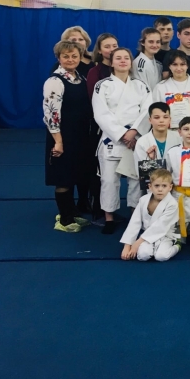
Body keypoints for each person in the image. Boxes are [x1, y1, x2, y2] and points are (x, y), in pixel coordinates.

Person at [93, 47, 152, 234]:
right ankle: (109, 217)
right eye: (118, 58)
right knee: (109, 180)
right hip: (112, 139)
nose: (123, 61)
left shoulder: (141, 85)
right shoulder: (103, 85)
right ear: (111, 62)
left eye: (126, 58)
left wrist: (134, 131)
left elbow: (147, 110)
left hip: (136, 139)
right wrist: (121, 134)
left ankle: (135, 215)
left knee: (136, 180)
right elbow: (101, 113)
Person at [44, 40, 94, 232]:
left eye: (74, 56)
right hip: (62, 136)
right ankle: (64, 220)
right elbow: (51, 114)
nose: (71, 59)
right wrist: (58, 142)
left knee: (75, 174)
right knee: (63, 177)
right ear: (59, 58)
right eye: (66, 56)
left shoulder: (79, 78)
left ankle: (72, 213)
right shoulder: (55, 81)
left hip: (79, 135)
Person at [120, 169, 181, 262]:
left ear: (170, 187)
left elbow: (160, 226)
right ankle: (152, 249)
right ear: (150, 186)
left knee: (161, 256)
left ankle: (177, 246)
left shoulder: (172, 204)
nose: (160, 189)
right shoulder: (143, 200)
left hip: (166, 235)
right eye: (156, 185)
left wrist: (137, 243)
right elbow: (134, 222)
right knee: (142, 256)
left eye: (164, 186)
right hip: (147, 234)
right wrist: (127, 245)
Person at [122, 102, 180, 192]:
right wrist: (151, 161)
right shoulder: (142, 142)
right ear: (150, 120)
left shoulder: (179, 138)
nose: (161, 120)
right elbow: (142, 174)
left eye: (165, 117)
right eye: (157, 117)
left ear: (170, 119)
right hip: (153, 190)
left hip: (176, 188)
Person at [153, 51, 190, 130]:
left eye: (182, 64)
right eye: (175, 64)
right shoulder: (160, 87)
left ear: (187, 65)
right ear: (169, 66)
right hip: (170, 132)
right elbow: (155, 112)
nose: (178, 68)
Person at [132, 28, 163, 92]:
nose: (155, 45)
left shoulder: (159, 65)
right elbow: (141, 90)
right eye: (151, 42)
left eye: (158, 42)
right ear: (143, 43)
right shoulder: (139, 64)